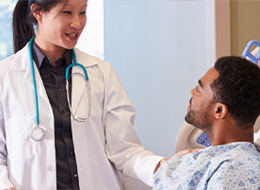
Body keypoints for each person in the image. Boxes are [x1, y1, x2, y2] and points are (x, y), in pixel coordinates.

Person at [0, 0, 178, 189]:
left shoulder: (101, 72)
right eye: (67, 12)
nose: (77, 23)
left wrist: (164, 166)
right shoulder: (6, 76)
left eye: (82, 12)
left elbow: (124, 149)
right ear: (38, 13)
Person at [153, 56, 260, 190]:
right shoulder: (214, 159)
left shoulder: (235, 171)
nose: (192, 92)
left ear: (219, 110)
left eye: (198, 90)